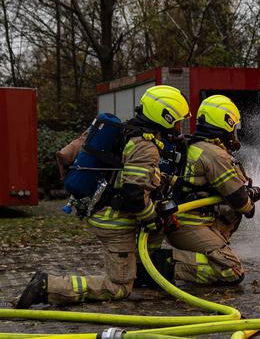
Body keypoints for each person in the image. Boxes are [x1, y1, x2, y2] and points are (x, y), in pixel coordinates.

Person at [15, 85, 190, 307]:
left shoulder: (128, 133)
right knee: (118, 287)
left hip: (106, 213)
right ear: (165, 117)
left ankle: (142, 275)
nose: (178, 126)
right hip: (114, 222)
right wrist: (153, 220)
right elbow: (134, 196)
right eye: (177, 120)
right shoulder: (145, 146)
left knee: (143, 252)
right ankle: (48, 286)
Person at [164, 94, 260, 286]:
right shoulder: (214, 154)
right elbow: (240, 202)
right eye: (233, 127)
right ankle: (160, 264)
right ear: (225, 124)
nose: (234, 133)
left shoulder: (194, 144)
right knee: (231, 272)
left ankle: (175, 260)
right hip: (192, 226)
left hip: (184, 224)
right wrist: (250, 198)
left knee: (220, 261)